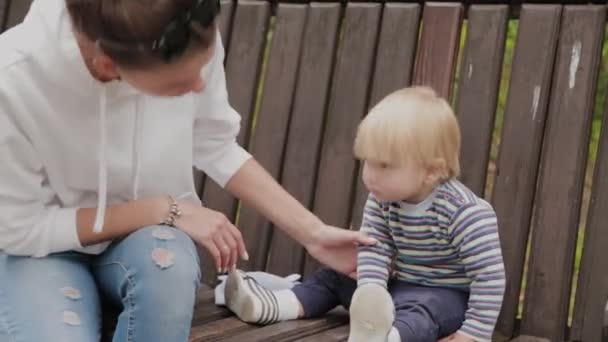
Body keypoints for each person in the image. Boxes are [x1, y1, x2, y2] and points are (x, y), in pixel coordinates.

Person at [0, 0, 375, 341]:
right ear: (108, 65)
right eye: (178, 85)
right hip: (40, 253)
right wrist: (161, 209)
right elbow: (22, 229)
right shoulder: (13, 80)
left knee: (169, 268)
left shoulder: (182, 25)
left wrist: (313, 234)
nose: (198, 85)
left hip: (147, 241)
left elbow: (215, 143)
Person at [225, 86, 507, 342]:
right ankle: (275, 305)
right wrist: (371, 293)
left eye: (384, 165)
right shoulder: (382, 199)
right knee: (333, 277)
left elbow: (489, 279)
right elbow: (374, 248)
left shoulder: (464, 212)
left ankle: (386, 337)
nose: (370, 177)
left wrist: (473, 335)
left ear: (431, 171)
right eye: (367, 162)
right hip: (395, 288)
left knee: (425, 310)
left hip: (446, 298)